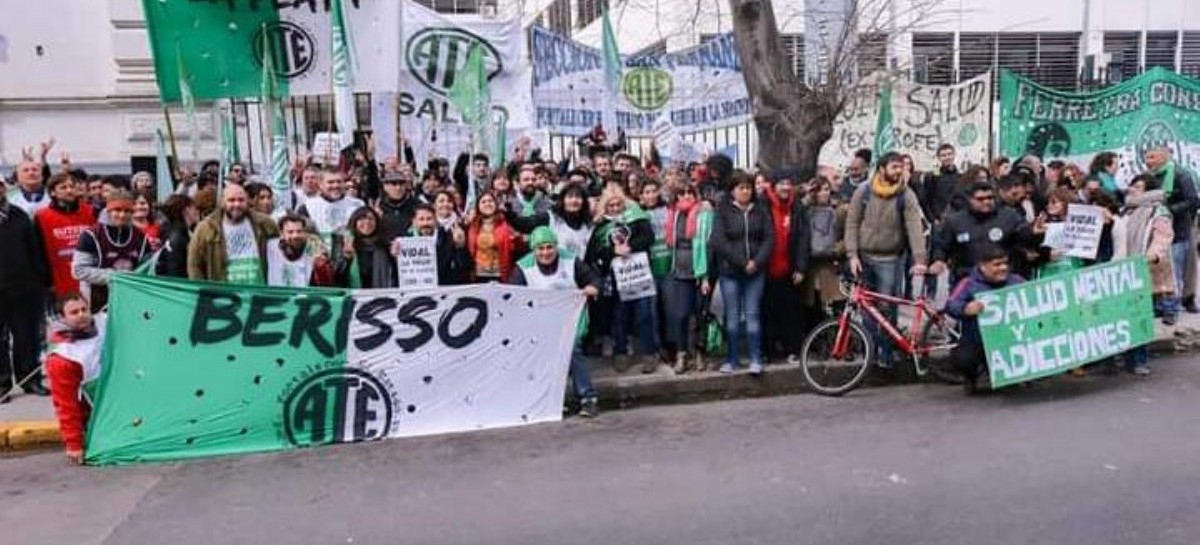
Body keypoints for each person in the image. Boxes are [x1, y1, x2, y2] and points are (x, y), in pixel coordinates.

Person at [844, 152, 928, 374]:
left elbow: (915, 228)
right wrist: (852, 255)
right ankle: (871, 351)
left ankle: (887, 353)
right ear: (881, 169)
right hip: (864, 257)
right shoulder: (863, 191)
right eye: (894, 167)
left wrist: (920, 260)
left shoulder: (906, 195)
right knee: (867, 309)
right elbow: (851, 223)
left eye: (901, 167)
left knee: (888, 309)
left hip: (891, 259)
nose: (899, 171)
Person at [507, 226, 602, 417]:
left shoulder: (571, 260)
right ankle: (551, 400)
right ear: (533, 250)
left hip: (570, 320)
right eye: (540, 248)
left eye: (549, 247)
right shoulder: (523, 268)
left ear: (556, 247)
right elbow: (512, 295)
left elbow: (593, 278)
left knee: (572, 349)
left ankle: (588, 397)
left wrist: (592, 287)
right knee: (541, 354)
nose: (545, 252)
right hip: (538, 324)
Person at [588, 187, 661, 373]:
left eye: (618, 204)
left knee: (645, 315)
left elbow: (648, 237)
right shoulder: (601, 225)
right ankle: (620, 352)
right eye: (610, 205)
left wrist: (630, 247)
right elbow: (594, 252)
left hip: (638, 273)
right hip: (616, 278)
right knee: (619, 317)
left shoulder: (636, 216)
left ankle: (649, 353)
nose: (614, 208)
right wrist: (613, 251)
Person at [710, 172, 774, 375]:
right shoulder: (723, 211)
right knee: (732, 316)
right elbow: (718, 241)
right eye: (741, 188)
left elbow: (769, 239)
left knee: (753, 314)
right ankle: (732, 359)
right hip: (731, 272)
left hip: (756, 272)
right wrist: (742, 262)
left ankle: (755, 358)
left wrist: (756, 262)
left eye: (748, 187)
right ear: (732, 190)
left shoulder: (761, 210)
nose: (745, 191)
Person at [1113, 173, 1175, 369]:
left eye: (1138, 187)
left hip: (1143, 270)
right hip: (1124, 271)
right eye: (1132, 185)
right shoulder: (1126, 210)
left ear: (1148, 191)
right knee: (1123, 316)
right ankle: (1124, 356)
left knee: (1138, 316)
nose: (1132, 189)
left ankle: (1138, 360)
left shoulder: (1158, 211)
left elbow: (1162, 238)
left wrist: (1152, 256)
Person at [945, 244, 1024, 394]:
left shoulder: (1017, 281)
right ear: (982, 266)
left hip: (1011, 341)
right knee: (963, 358)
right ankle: (971, 378)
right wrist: (966, 309)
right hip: (977, 342)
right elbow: (951, 305)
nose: (1003, 268)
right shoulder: (968, 284)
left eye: (1005, 263)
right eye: (997, 264)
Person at [0, 176, 51, 401]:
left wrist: (41, 280)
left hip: (24, 287)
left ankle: (30, 379)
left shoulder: (20, 215)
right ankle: (2, 383)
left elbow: (35, 250)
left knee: (27, 336)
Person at [930, 179, 1040, 283]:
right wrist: (939, 260)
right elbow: (941, 245)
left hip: (1002, 279)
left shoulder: (1009, 216)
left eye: (990, 198)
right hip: (967, 279)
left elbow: (1024, 239)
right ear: (970, 200)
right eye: (980, 199)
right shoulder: (955, 221)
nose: (986, 202)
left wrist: (1035, 234)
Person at [44, 293, 105, 463]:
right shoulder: (63, 357)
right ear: (62, 319)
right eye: (74, 312)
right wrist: (74, 445)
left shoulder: (103, 323)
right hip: (97, 416)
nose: (81, 315)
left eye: (84, 309)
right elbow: (65, 405)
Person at [661, 184, 713, 373]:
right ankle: (682, 353)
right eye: (681, 193)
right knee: (681, 315)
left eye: (690, 193)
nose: (686, 196)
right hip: (680, 271)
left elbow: (708, 246)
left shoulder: (704, 214)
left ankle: (700, 353)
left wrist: (706, 276)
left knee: (700, 314)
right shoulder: (674, 215)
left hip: (700, 271)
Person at [72, 190, 150, 313]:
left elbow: (147, 271)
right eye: (117, 210)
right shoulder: (91, 235)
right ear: (108, 211)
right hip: (96, 303)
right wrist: (115, 276)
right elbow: (78, 270)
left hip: (130, 301)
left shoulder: (141, 237)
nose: (122, 215)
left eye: (127, 211)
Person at [187, 183, 279, 284]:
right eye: (231, 200)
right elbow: (194, 265)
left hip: (258, 292)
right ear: (223, 202)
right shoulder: (206, 229)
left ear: (248, 201)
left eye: (241, 200)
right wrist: (203, 292)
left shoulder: (265, 224)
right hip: (225, 295)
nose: (237, 204)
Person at [1144, 146, 1199, 313]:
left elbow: (1193, 201)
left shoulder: (1181, 175)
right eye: (1146, 158)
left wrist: (1170, 210)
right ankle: (1163, 304)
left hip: (1179, 229)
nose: (1148, 161)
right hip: (1157, 231)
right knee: (1160, 269)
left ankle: (1182, 302)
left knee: (1179, 269)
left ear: (1164, 157)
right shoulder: (1148, 178)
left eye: (1152, 157)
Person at [762, 174, 810, 362]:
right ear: (773, 186)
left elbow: (803, 239)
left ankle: (792, 350)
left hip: (790, 269)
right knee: (767, 311)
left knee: (791, 312)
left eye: (788, 184)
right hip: (766, 269)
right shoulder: (763, 205)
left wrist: (801, 267)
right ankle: (768, 351)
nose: (785, 187)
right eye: (781, 183)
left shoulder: (798, 207)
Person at [35, 173, 94, 298]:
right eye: (63, 187)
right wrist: (47, 281)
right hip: (59, 279)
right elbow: (39, 252)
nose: (69, 190)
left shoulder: (90, 211)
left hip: (89, 277)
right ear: (52, 193)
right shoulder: (41, 217)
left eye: (72, 187)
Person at [799, 176, 846, 328]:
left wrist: (837, 249)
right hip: (810, 266)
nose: (823, 193)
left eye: (826, 189)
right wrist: (807, 194)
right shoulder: (805, 211)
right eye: (819, 190)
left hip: (830, 266)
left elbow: (849, 234)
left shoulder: (839, 210)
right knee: (811, 306)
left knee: (834, 305)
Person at [507, 182, 594, 260]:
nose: (574, 200)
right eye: (570, 197)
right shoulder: (550, 218)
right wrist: (507, 213)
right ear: (563, 200)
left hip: (578, 272)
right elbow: (524, 225)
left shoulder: (587, 224)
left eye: (578, 197)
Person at [397, 204, 470, 285]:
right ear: (414, 222)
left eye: (429, 219)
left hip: (444, 290)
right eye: (421, 219)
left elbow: (463, 268)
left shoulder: (449, 237)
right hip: (417, 290)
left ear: (435, 220)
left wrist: (460, 246)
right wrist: (396, 255)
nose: (425, 223)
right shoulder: (406, 241)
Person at [466, 192, 523, 283]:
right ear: (478, 206)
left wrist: (516, 240)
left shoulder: (506, 224)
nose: (487, 204)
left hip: (500, 275)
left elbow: (516, 250)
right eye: (483, 202)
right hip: (477, 276)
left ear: (496, 204)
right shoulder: (472, 226)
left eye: (490, 201)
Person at [297, 169, 365, 245]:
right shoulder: (308, 206)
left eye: (339, 182)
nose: (335, 185)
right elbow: (303, 233)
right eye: (330, 182)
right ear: (320, 185)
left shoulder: (357, 204)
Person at [333, 207, 396, 288]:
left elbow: (396, 275)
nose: (367, 222)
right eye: (362, 219)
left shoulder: (386, 246)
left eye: (370, 219)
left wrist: (395, 258)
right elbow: (336, 276)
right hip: (353, 296)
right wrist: (347, 258)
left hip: (381, 296)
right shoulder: (344, 244)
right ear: (354, 223)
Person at [266, 214, 334, 287]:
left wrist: (321, 267)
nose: (295, 235)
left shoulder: (313, 247)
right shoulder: (271, 246)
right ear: (282, 233)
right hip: (276, 295)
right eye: (290, 232)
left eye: (299, 231)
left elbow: (327, 284)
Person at [156, 194, 199, 278]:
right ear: (187, 210)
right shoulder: (179, 239)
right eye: (195, 208)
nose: (197, 211)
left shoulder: (169, 232)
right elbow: (176, 271)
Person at [921, 143, 960, 223]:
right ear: (939, 158)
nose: (947, 157)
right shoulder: (932, 177)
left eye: (949, 154)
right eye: (943, 155)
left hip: (958, 220)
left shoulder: (961, 177)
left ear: (954, 155)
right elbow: (925, 200)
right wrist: (932, 219)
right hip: (940, 220)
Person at [376, 170, 418, 239]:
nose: (398, 188)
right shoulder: (379, 207)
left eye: (401, 183)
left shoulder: (416, 205)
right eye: (394, 184)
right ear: (385, 186)